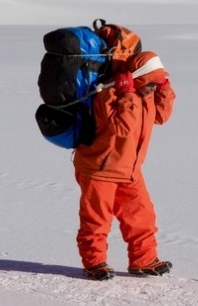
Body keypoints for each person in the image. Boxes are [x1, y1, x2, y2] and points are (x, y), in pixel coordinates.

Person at [72, 49, 174, 280]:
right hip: (99, 170)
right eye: (152, 83)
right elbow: (122, 130)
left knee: (142, 217)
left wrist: (165, 89)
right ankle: (95, 262)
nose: (154, 87)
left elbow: (162, 117)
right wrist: (126, 93)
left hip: (130, 171)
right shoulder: (109, 94)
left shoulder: (146, 94)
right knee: (97, 220)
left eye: (159, 82)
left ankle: (144, 260)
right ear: (138, 78)